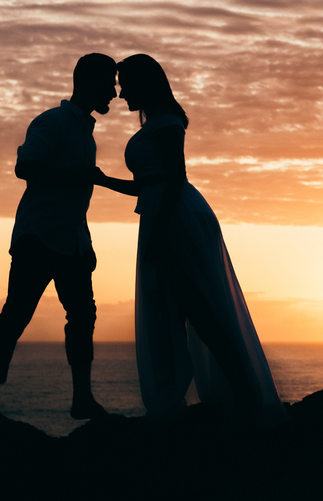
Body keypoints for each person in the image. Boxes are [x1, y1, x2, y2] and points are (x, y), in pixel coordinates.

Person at [95, 54, 287, 426]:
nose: (119, 94)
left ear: (143, 84)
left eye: (125, 84)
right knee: (182, 308)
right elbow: (151, 185)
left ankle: (244, 396)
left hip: (175, 220)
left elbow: (175, 180)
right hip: (164, 216)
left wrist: (163, 233)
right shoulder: (159, 122)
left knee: (197, 308)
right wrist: (102, 181)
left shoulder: (166, 123)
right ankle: (221, 395)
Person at [0, 53, 117, 420]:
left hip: (70, 241)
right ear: (88, 82)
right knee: (17, 315)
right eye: (109, 84)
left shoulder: (84, 132)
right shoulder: (53, 122)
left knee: (82, 315)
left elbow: (74, 194)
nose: (115, 93)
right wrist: (80, 176)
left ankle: (81, 399)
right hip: (38, 238)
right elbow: (25, 166)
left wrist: (84, 244)